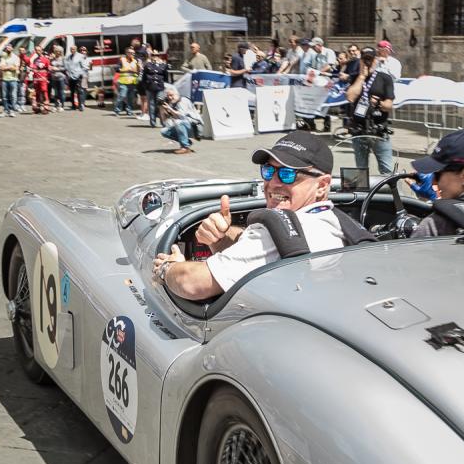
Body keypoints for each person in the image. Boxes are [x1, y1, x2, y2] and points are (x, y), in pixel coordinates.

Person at [150, 131, 373, 299]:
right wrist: (222, 236)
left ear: (322, 185)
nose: (273, 183)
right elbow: (262, 256)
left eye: (288, 174)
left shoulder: (275, 230)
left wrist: (167, 268)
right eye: (269, 170)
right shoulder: (337, 222)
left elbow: (191, 283)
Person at [343, 46, 395, 175]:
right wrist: (361, 76)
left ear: (376, 60)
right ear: (360, 61)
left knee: (387, 169)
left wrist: (378, 103)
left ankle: (391, 194)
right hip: (359, 130)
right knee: (360, 170)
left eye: (370, 59)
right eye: (365, 59)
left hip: (378, 129)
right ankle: (360, 194)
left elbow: (389, 105)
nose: (368, 62)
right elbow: (350, 97)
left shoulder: (385, 78)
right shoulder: (355, 77)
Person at [157, 85, 200, 154]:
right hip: (186, 126)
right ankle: (187, 142)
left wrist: (170, 109)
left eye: (171, 95)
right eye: (168, 96)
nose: (170, 98)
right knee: (164, 131)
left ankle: (185, 147)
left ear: (177, 94)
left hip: (196, 127)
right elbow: (165, 122)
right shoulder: (173, 104)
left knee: (178, 122)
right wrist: (161, 108)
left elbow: (182, 115)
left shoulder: (183, 100)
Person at [142, 50, 169, 126]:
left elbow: (166, 76)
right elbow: (144, 77)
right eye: (153, 55)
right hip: (150, 87)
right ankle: (153, 122)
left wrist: (166, 85)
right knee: (151, 105)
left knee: (160, 104)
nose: (155, 56)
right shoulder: (147, 65)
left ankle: (163, 121)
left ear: (159, 56)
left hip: (160, 87)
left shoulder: (163, 65)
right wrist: (145, 86)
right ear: (151, 56)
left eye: (156, 55)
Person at [115, 47, 141, 115]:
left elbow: (138, 71)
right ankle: (117, 110)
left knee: (131, 98)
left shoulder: (135, 61)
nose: (132, 54)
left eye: (133, 53)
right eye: (131, 53)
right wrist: (126, 70)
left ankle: (129, 110)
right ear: (127, 53)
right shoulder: (122, 60)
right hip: (123, 82)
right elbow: (117, 69)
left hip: (132, 82)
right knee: (122, 96)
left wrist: (138, 70)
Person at [64, 45, 90, 110]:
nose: (72, 50)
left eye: (73, 49)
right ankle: (73, 105)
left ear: (76, 49)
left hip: (78, 76)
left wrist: (82, 73)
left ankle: (81, 105)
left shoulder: (80, 56)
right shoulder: (68, 57)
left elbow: (83, 66)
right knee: (72, 91)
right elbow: (66, 66)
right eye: (71, 49)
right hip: (71, 76)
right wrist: (68, 74)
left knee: (79, 91)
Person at [0, 46, 20, 117]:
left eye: (9, 48)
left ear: (12, 49)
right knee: (4, 96)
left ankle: (12, 110)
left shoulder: (15, 57)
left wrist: (6, 67)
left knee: (13, 96)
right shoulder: (3, 57)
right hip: (5, 79)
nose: (8, 49)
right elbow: (1, 68)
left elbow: (16, 68)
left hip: (13, 79)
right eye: (7, 48)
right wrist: (10, 67)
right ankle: (5, 110)